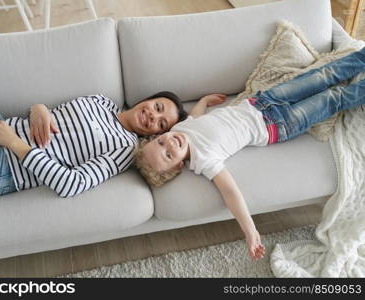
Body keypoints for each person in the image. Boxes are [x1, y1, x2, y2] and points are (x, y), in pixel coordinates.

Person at [134, 47, 365, 260]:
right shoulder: (204, 160)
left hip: (264, 101)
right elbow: (231, 193)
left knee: (325, 75)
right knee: (333, 98)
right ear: (177, 166)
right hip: (279, 125)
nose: (169, 145)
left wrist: (204, 101)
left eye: (161, 143)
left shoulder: (178, 128)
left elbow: (195, 117)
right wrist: (250, 231)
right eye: (168, 155)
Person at [0, 67, 193, 199]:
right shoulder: (100, 100)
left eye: (161, 124)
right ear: (149, 99)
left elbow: (71, 184)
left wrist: (15, 144)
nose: (153, 117)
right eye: (158, 108)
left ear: (155, 135)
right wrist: (37, 109)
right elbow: (53, 120)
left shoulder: (125, 149)